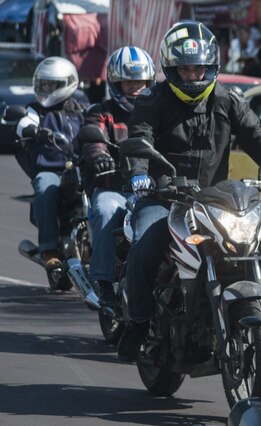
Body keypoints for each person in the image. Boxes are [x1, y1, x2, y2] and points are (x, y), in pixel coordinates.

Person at [116, 21, 261, 362]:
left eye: (199, 67)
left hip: (213, 200)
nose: (193, 75)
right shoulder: (153, 100)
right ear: (171, 68)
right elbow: (139, 139)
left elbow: (255, 135)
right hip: (163, 198)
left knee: (253, 242)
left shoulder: (228, 99)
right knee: (146, 245)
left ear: (212, 67)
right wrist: (140, 175)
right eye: (184, 68)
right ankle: (137, 323)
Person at [81, 46, 156, 307]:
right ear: (116, 82)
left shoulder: (159, 111)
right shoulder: (101, 111)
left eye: (141, 81)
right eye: (129, 81)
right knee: (105, 210)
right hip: (115, 187)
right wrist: (99, 156)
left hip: (154, 190)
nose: (136, 87)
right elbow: (92, 138)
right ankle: (103, 284)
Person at [15, 56, 85, 274]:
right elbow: (24, 122)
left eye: (52, 84)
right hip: (50, 168)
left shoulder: (82, 108)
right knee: (46, 190)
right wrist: (32, 129)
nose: (46, 88)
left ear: (68, 83)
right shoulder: (36, 110)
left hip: (82, 166)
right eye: (43, 84)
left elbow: (97, 123)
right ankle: (49, 251)